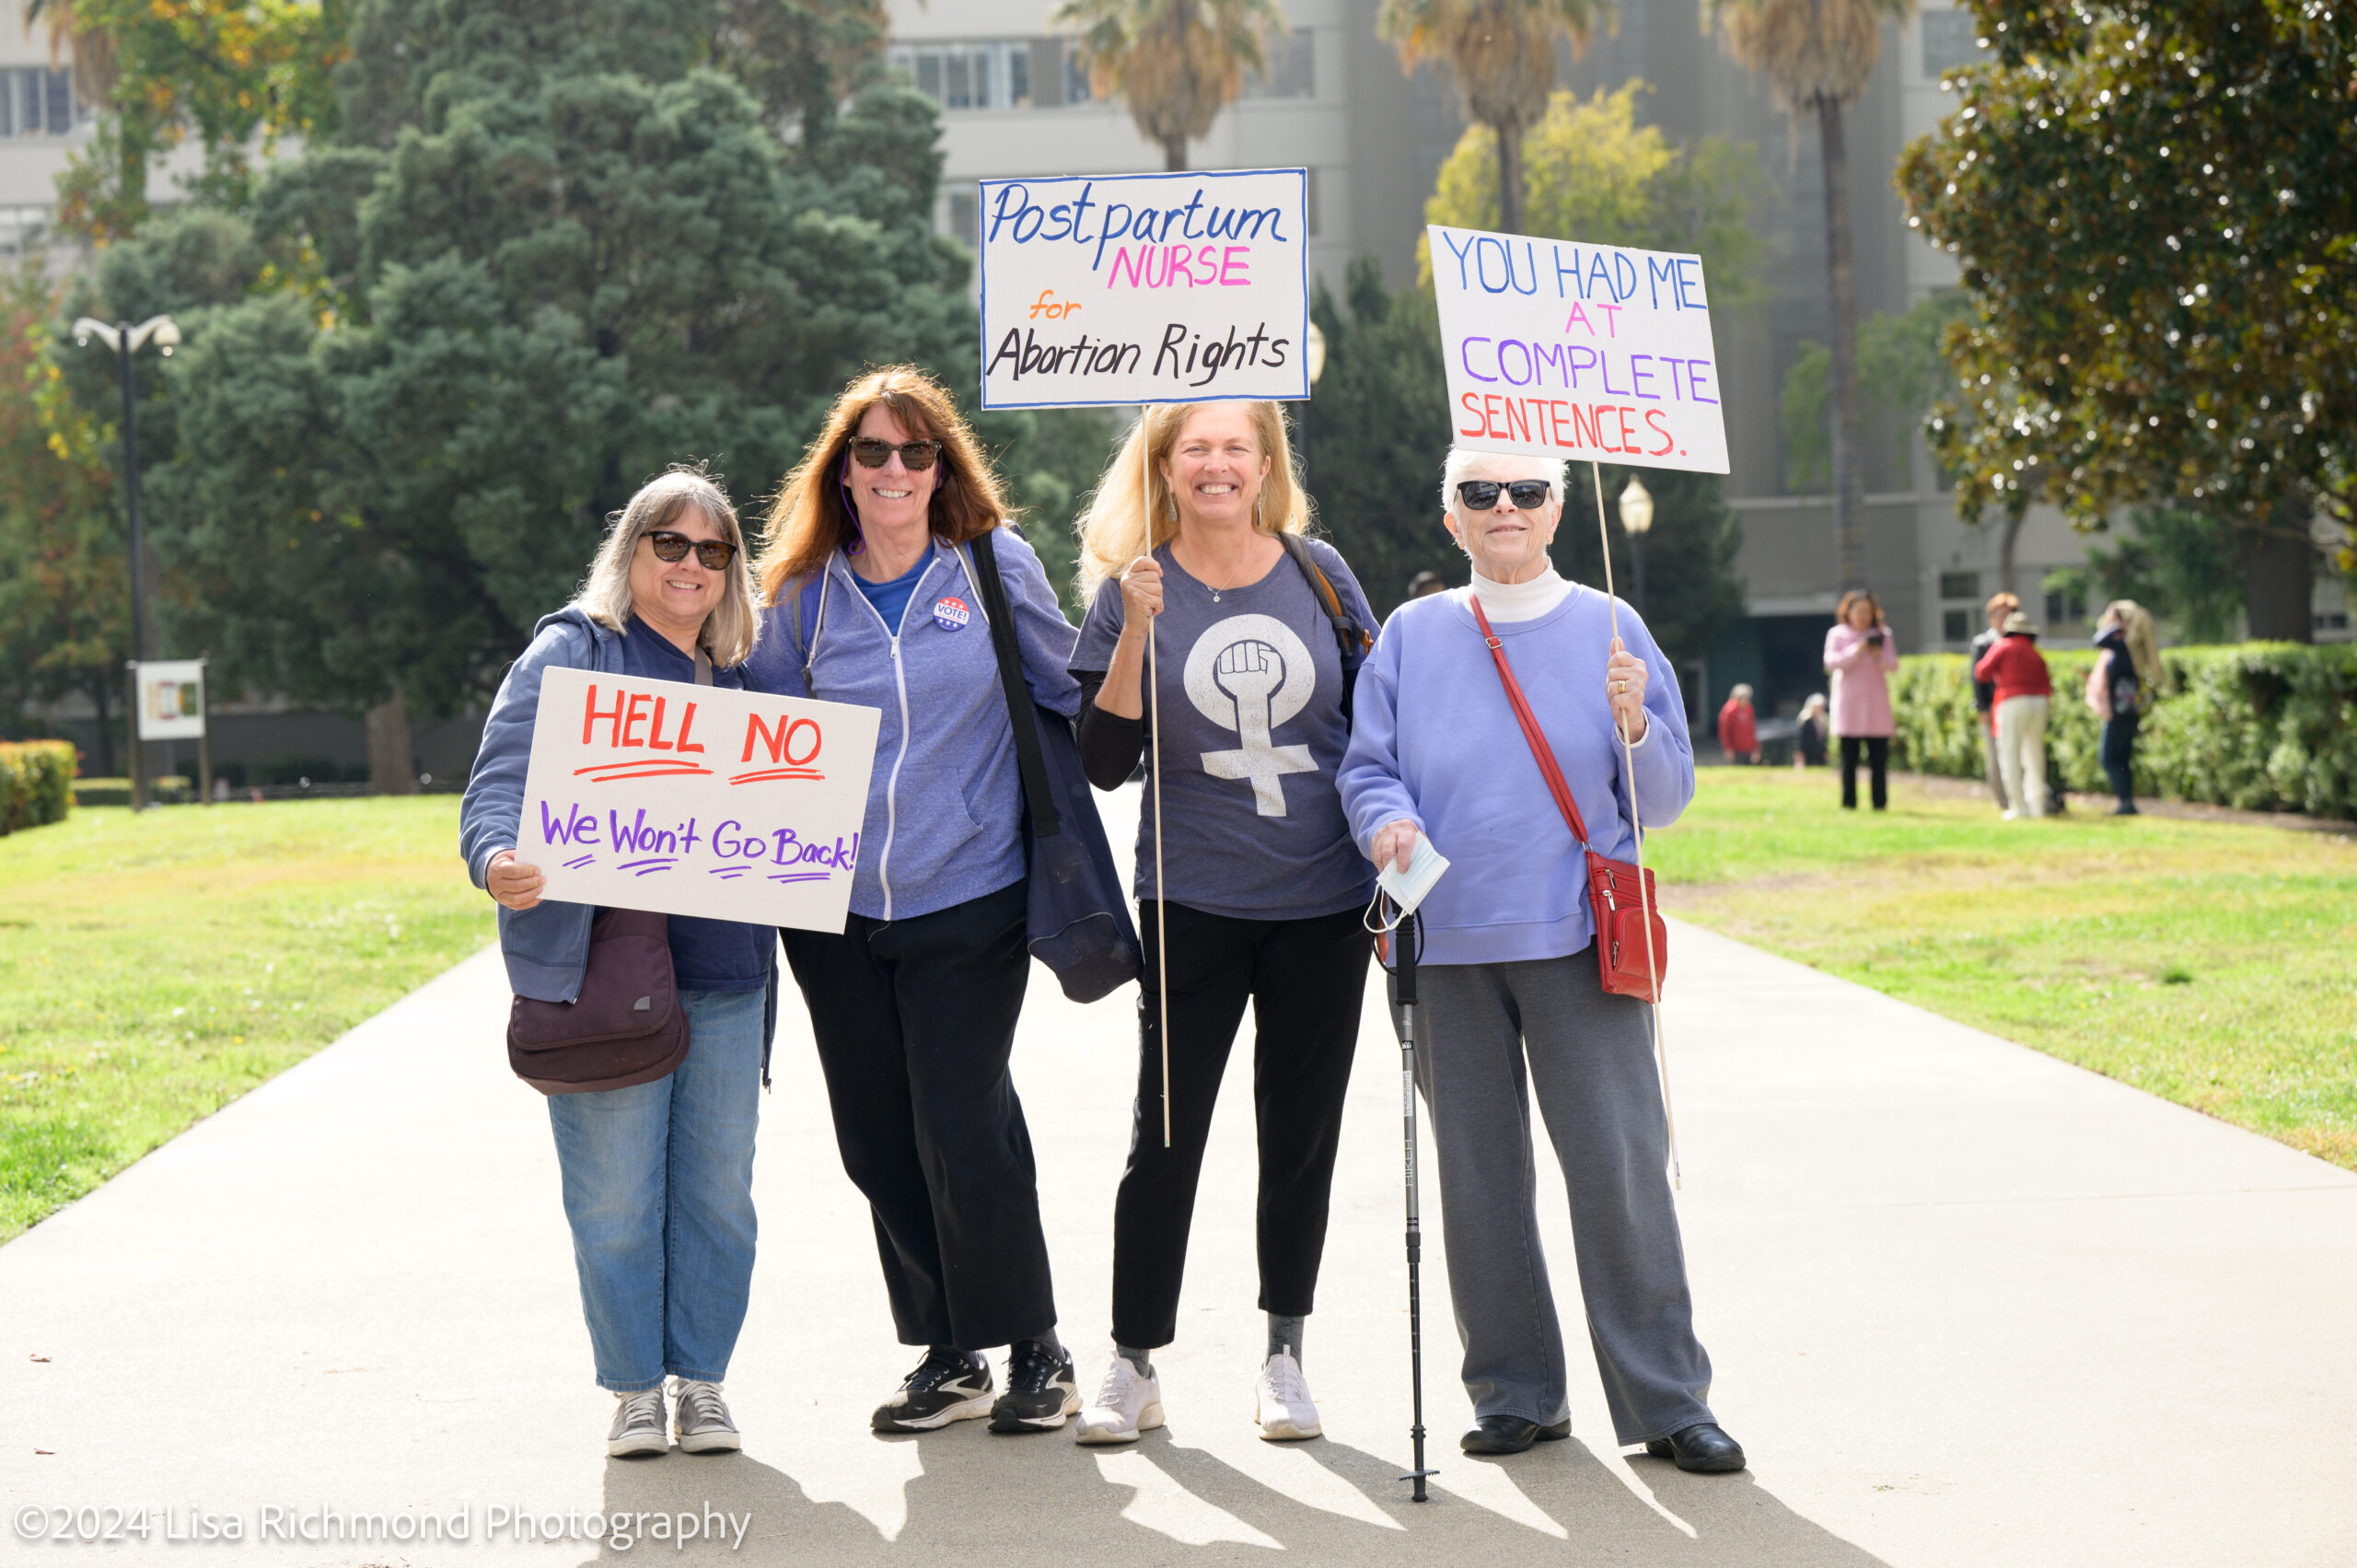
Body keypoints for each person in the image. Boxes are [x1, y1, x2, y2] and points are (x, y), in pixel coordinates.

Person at [1338, 448, 1745, 1475]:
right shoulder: (1412, 632)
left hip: (1578, 937)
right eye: (1480, 493)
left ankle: (1668, 1396)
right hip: (1445, 942)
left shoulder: (1614, 625)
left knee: (1617, 1173)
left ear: (1559, 507)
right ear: (1452, 520)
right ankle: (1516, 1391)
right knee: (1478, 1178)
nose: (1504, 507)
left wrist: (1635, 719)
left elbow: (1662, 801)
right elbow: (1368, 767)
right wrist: (1383, 820)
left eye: (1524, 490)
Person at [743, 366, 1084, 1435]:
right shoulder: (801, 595)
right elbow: (752, 725)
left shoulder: (989, 567)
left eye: (914, 452)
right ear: (841, 472)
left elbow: (1071, 684)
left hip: (970, 893)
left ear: (943, 468)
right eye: (873, 453)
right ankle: (948, 1352)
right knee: (878, 1136)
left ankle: (1035, 1343)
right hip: (836, 915)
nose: (894, 471)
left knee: (962, 1116)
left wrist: (1149, 631)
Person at [1063, 401, 1377, 1446]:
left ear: (1265, 462)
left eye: (1235, 445)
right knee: (1165, 1134)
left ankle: (1284, 1353)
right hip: (1191, 899)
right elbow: (1100, 762)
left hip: (1322, 901)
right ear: (1163, 464)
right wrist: (1140, 627)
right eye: (1193, 446)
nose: (1215, 464)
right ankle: (1132, 1360)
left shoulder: (1321, 573)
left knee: (1300, 1136)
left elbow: (1382, 715)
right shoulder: (1131, 588)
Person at [459, 468, 773, 1458]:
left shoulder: (746, 678)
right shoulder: (574, 650)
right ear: (630, 551)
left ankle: (703, 1382)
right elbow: (500, 776)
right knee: (614, 1198)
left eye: (711, 550)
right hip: (602, 971)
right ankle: (636, 1387)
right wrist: (496, 857)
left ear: (731, 570)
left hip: (725, 971)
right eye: (668, 544)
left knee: (719, 1194)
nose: (689, 565)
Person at [1974, 610, 2053, 819]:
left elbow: (1981, 671)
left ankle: (2019, 806)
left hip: (2012, 701)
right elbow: (2047, 682)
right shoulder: (2035, 652)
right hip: (2039, 703)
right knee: (2034, 753)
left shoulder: (2003, 646)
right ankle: (2038, 805)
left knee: (2010, 753)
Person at [1823, 591, 1898, 810]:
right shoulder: (1837, 635)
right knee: (1849, 760)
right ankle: (1849, 803)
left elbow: (1893, 665)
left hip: (1876, 706)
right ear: (1849, 612)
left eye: (1868, 611)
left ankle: (1880, 803)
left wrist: (1877, 655)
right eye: (1859, 611)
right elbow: (1830, 663)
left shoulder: (1883, 635)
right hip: (1849, 706)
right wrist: (1856, 649)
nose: (1864, 616)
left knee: (1878, 760)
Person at [2089, 599, 2160, 815]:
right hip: (2128, 711)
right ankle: (2126, 802)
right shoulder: (2126, 647)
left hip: (2121, 712)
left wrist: (2116, 626)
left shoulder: (2123, 646)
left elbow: (2097, 640)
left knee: (2109, 757)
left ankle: (2125, 801)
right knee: (2120, 758)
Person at [1968, 592, 2021, 812]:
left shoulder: (2020, 641)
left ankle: (2019, 797)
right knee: (1994, 756)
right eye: (1998, 615)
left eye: (2008, 615)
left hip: (2015, 704)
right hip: (1993, 705)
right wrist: (1982, 707)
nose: (2003, 620)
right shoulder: (1983, 643)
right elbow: (1977, 676)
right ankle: (2003, 800)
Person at [1716, 683, 1760, 764]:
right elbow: (1724, 732)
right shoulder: (1729, 711)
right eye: (1743, 698)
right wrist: (1728, 749)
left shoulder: (1749, 709)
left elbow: (1752, 729)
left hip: (1748, 748)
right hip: (1736, 750)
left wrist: (1755, 749)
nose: (1746, 700)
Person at [1794, 692, 1829, 769]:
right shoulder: (1805, 719)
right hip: (1808, 752)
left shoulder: (1823, 720)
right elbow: (1800, 738)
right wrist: (1800, 754)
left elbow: (1824, 738)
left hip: (1819, 753)